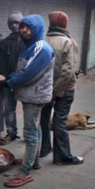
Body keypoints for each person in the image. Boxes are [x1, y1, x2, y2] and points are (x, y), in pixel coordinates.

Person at [0, 15, 55, 188]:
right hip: (31, 94)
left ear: (37, 28)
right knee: (35, 129)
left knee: (30, 133)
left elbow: (28, 75)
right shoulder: (30, 46)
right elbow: (22, 70)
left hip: (34, 96)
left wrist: (5, 82)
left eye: (28, 27)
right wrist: (6, 77)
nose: (23, 30)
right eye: (22, 27)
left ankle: (25, 172)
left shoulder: (41, 48)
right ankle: (33, 161)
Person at [40, 11, 84, 165]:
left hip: (45, 88)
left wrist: (49, 90)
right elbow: (67, 71)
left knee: (43, 120)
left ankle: (44, 149)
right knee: (59, 122)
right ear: (65, 24)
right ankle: (61, 157)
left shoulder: (42, 40)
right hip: (64, 89)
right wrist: (56, 92)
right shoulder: (68, 42)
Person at [0, 12, 25, 145]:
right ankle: (11, 133)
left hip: (25, 81)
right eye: (11, 23)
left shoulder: (30, 42)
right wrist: (6, 80)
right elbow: (0, 64)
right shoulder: (4, 43)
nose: (14, 25)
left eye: (17, 22)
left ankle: (29, 134)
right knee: (9, 109)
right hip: (8, 81)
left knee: (29, 109)